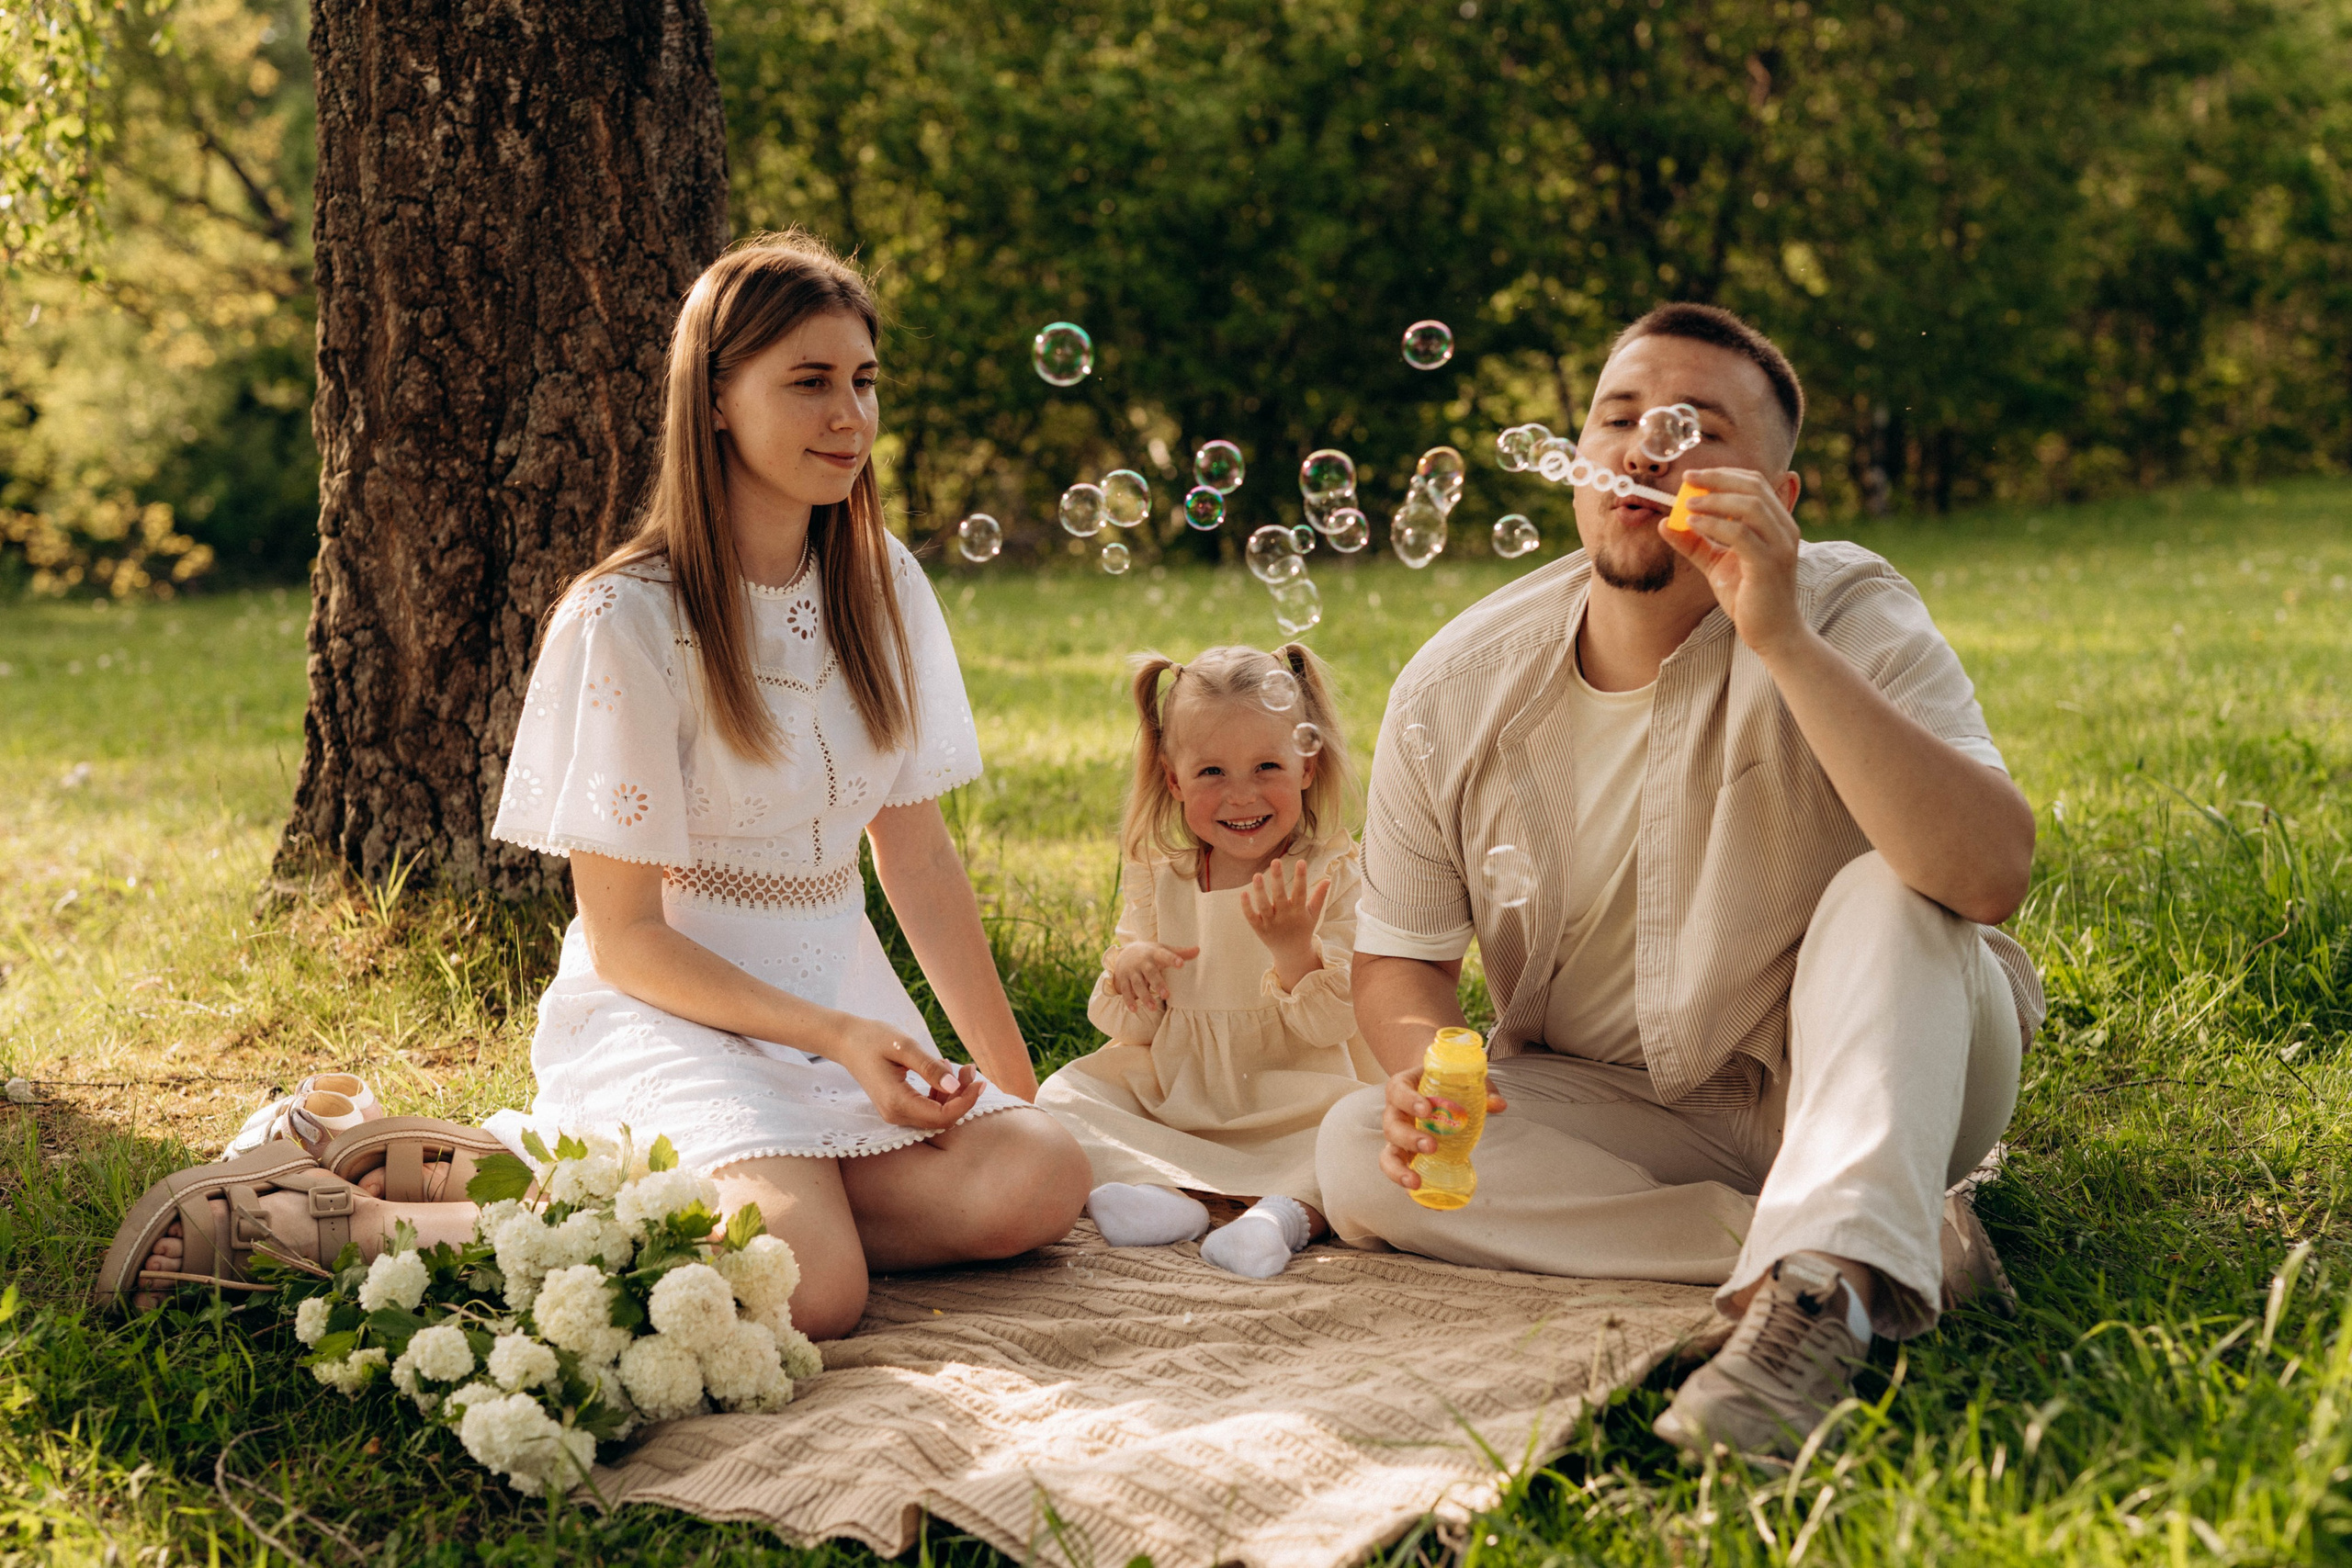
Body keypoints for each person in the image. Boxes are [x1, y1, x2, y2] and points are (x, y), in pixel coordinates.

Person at [99, 232, 1090, 1331]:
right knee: (813, 1282)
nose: (849, 416)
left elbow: (918, 856)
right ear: (714, 401)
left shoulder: (882, 583)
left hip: (843, 1014)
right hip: (672, 1015)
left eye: (863, 381)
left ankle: (493, 1170)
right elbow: (626, 939)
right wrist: (832, 1038)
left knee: (1040, 1172)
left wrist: (1011, 1090)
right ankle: (314, 1219)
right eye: (807, 383)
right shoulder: (628, 619)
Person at [1314, 303, 2043, 1461]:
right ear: (1578, 466)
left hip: (1893, 1065)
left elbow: (1987, 873)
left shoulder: (1849, 609)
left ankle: (1836, 1245)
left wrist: (1782, 636)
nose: (1648, 450)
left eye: (1696, 429)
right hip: (1623, 1110)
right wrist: (1422, 1070)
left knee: (1890, 888)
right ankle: (1849, 1257)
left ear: (1781, 497)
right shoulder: (1455, 685)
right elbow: (1400, 960)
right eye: (1620, 420)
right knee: (1361, 1151)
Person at [1037, 645, 1381, 1279]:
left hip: (1298, 1095)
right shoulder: (1159, 878)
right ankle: (1170, 1199)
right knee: (1061, 1097)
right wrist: (1132, 971)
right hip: (1183, 1095)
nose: (1241, 794)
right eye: (1212, 772)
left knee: (1354, 1139)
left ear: (1308, 766)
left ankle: (1279, 1216)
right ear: (1174, 780)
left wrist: (1294, 951)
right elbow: (1132, 1031)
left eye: (1268, 765)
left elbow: (1333, 1025)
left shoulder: (1330, 869)